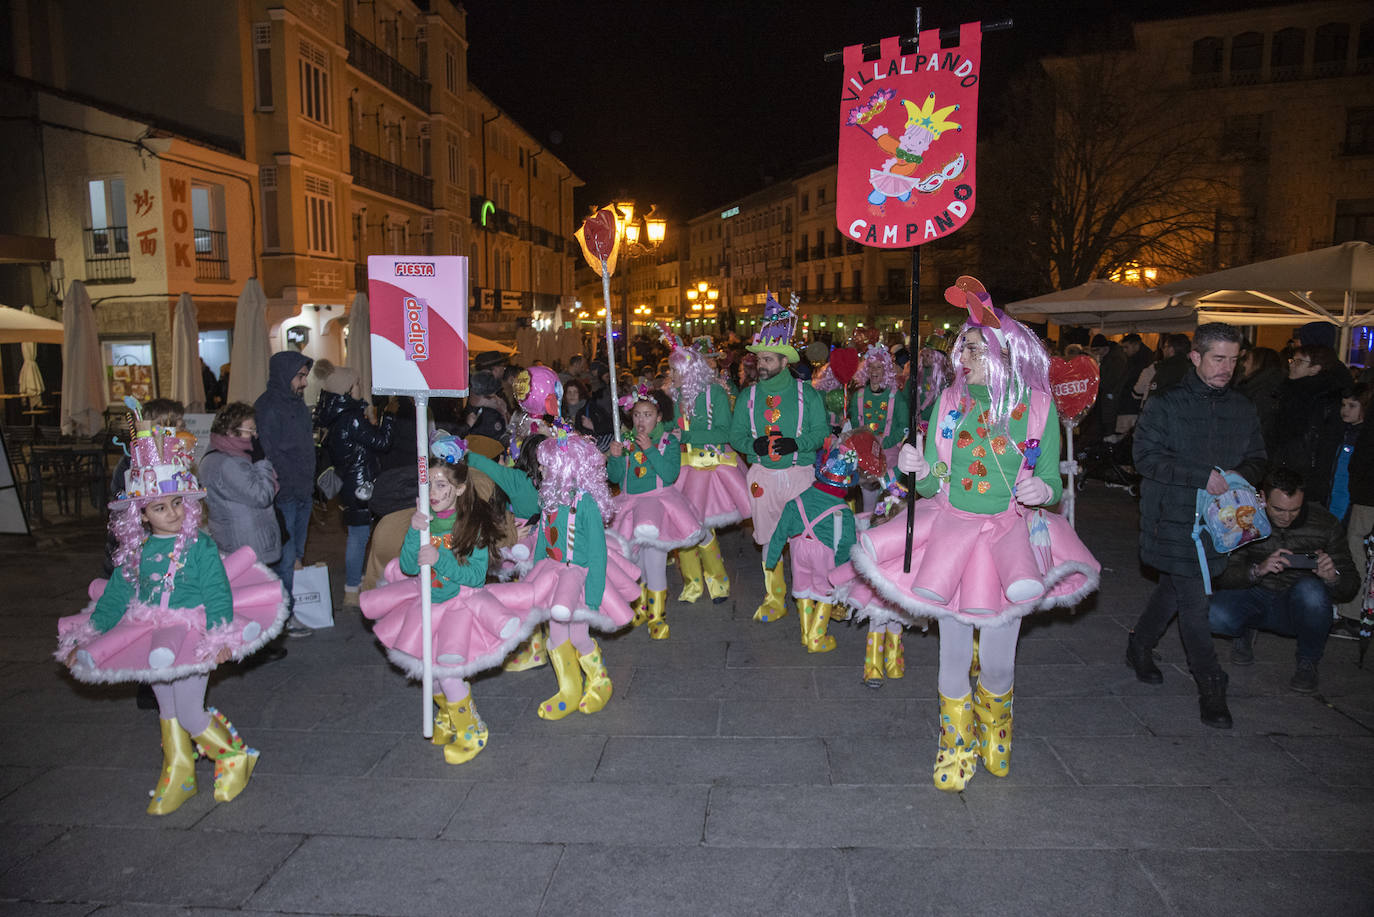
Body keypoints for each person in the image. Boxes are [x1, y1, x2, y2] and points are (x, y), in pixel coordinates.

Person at [851, 276, 1100, 791]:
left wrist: (1038, 489)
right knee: (953, 648)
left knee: (1001, 657)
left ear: (1004, 352)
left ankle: (997, 727)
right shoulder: (949, 401)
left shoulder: (1036, 406)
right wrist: (917, 469)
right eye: (961, 346)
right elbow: (938, 477)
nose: (961, 356)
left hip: (1006, 537)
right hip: (952, 534)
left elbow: (1051, 483)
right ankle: (955, 742)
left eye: (972, 347)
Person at [55, 416, 286, 815]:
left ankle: (234, 755)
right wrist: (87, 638)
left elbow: (216, 593)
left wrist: (221, 639)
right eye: (160, 508)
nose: (173, 513)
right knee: (167, 710)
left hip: (193, 633)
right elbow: (114, 600)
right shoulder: (136, 553)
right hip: (151, 632)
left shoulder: (199, 547)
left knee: (192, 710)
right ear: (142, 515)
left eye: (178, 503)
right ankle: (179, 771)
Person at [360, 444, 542, 764]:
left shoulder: (472, 524)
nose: (433, 491)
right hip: (428, 603)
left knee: (447, 670)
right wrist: (414, 534)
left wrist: (440, 558)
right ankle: (446, 715)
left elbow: (474, 576)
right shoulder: (426, 521)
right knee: (428, 670)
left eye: (441, 484)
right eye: (428, 484)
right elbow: (408, 566)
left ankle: (472, 729)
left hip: (459, 605)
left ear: (459, 488)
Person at [1129, 322, 1266, 730]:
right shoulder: (1167, 403)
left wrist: (1238, 478)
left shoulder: (1243, 407)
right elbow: (1145, 457)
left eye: (1233, 360)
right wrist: (1200, 475)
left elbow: (1259, 457)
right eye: (1218, 358)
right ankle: (1211, 683)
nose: (1227, 367)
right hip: (1173, 518)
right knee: (1194, 599)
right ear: (1195, 357)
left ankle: (1139, 645)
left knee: (1175, 588)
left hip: (1221, 522)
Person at [520, 429, 642, 719]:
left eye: (546, 464)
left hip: (579, 577)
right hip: (551, 573)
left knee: (576, 633)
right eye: (542, 464)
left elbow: (598, 553)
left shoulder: (584, 503)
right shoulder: (548, 498)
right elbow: (543, 542)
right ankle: (571, 689)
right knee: (559, 633)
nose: (541, 469)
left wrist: (595, 596)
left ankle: (598, 681)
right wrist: (533, 575)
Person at [1206, 468, 1357, 694]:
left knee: (1312, 593)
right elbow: (1222, 574)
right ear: (1263, 498)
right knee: (1214, 615)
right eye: (1278, 509)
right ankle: (1244, 631)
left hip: (1295, 601)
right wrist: (1258, 570)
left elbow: (1351, 584)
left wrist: (1332, 576)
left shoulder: (1324, 523)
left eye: (1294, 509)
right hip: (1254, 592)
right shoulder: (1245, 515)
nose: (1286, 517)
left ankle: (1308, 662)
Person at [729, 292, 829, 623]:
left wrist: (796, 444)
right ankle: (775, 597)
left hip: (800, 474)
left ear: (785, 362)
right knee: (769, 537)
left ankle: (813, 591)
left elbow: (821, 431)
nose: (761, 365)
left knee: (806, 536)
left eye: (769, 360)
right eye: (760, 359)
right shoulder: (749, 394)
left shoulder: (807, 393)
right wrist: (752, 446)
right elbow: (736, 434)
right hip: (763, 476)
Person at [608, 386, 707, 639]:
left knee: (654, 561)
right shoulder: (626, 440)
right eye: (638, 415)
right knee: (633, 561)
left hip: (657, 505)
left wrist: (650, 448)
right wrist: (616, 458)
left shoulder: (667, 441)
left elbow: (670, 474)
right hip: (629, 506)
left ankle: (657, 616)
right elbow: (616, 478)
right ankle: (641, 608)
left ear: (659, 417)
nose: (641, 420)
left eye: (648, 415)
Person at [665, 330, 750, 606]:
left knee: (699, 526)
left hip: (711, 468)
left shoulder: (715, 393)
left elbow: (725, 433)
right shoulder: (679, 396)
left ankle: (718, 583)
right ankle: (692, 584)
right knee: (685, 526)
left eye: (675, 370)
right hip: (685, 467)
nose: (672, 375)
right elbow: (675, 427)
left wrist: (687, 437)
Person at [764, 434, 866, 654]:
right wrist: (841, 572)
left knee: (802, 588)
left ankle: (804, 632)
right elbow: (846, 544)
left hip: (798, 548)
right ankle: (817, 637)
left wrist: (772, 559)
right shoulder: (843, 511)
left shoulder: (798, 500)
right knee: (825, 591)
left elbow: (780, 532)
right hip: (825, 554)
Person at [316, 365, 395, 606]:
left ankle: (357, 581)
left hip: (349, 483)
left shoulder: (337, 416)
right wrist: (388, 416)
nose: (361, 387)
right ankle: (352, 588)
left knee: (357, 535)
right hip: (361, 484)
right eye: (358, 383)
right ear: (349, 389)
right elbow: (383, 442)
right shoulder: (351, 419)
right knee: (359, 537)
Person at [254, 350, 315, 633]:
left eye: (305, 376)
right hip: (284, 495)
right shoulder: (267, 406)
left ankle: (283, 614)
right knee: (285, 557)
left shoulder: (298, 405)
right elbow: (269, 453)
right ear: (285, 374)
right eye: (300, 376)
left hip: (302, 492)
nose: (303, 383)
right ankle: (282, 617)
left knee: (295, 554)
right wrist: (281, 488)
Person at [199, 402, 280, 576]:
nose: (255, 435)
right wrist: (261, 461)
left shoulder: (217, 453)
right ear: (230, 432)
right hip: (248, 543)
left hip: (235, 540)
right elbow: (263, 495)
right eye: (250, 431)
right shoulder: (229, 463)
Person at [849, 332, 910, 511]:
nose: (874, 371)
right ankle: (868, 534)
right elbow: (855, 426)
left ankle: (888, 533)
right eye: (871, 367)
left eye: (879, 367)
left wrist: (883, 441)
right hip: (866, 457)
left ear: (886, 370)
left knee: (890, 505)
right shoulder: (858, 396)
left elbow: (903, 426)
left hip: (891, 458)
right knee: (869, 506)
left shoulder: (895, 396)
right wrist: (868, 443)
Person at [1233, 346, 1284, 454]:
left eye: (1248, 360)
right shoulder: (1254, 387)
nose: (1244, 364)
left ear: (1259, 364)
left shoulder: (1262, 391)